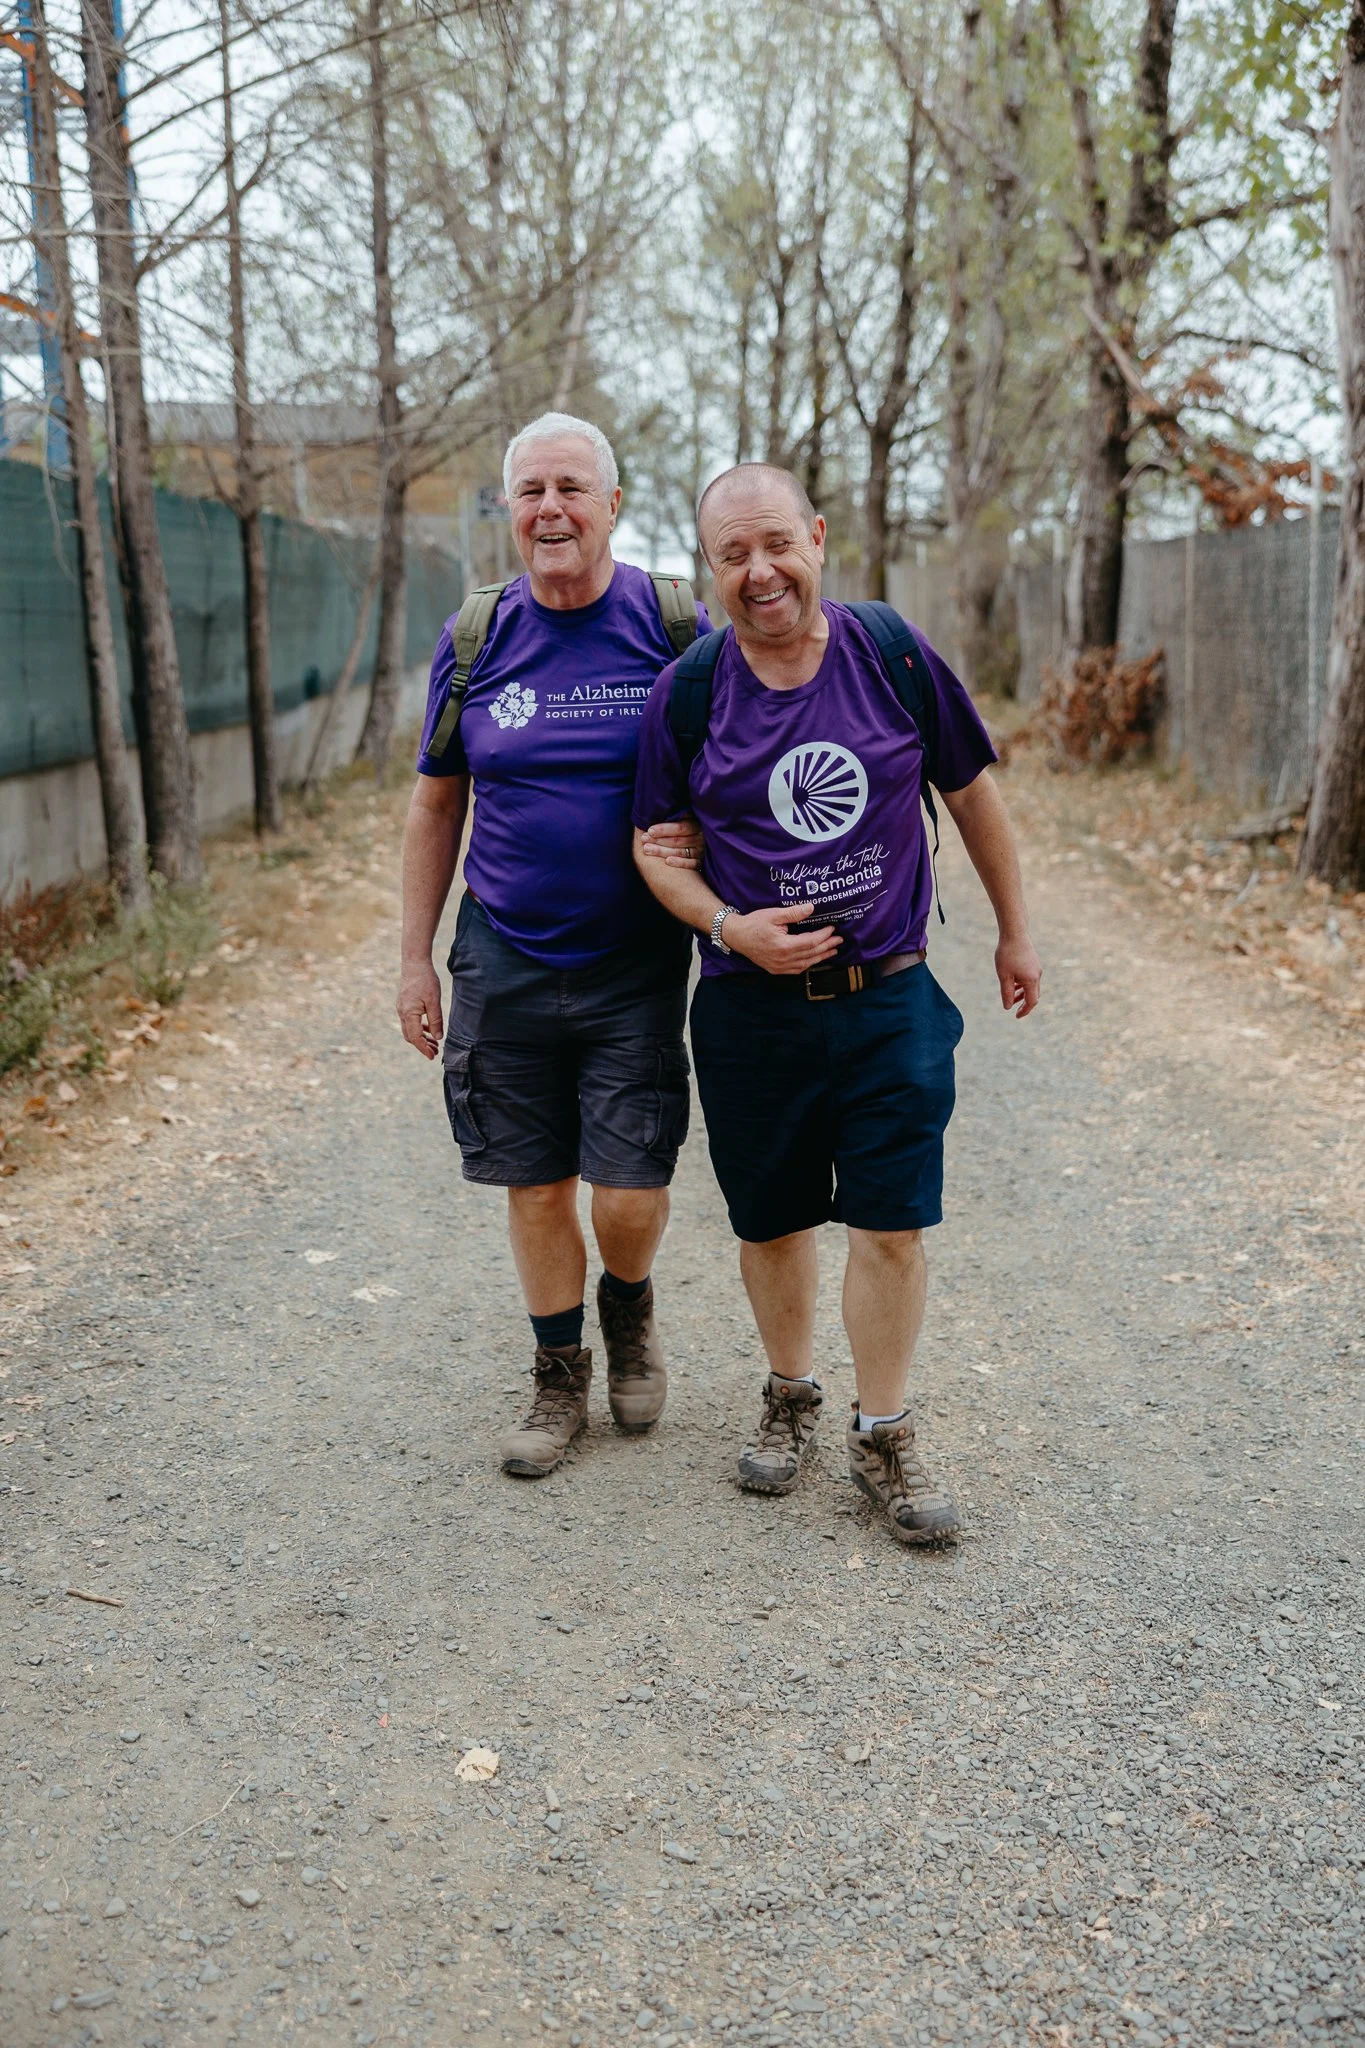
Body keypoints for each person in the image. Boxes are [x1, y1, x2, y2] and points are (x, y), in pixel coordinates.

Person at [632, 463, 1041, 1546]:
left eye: (777, 544)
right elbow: (657, 847)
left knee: (892, 1219)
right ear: (710, 566)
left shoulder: (889, 652)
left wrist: (1015, 926)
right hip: (747, 1007)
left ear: (817, 537)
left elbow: (971, 787)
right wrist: (730, 927)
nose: (760, 572)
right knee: (770, 1219)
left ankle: (884, 1427)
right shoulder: (690, 688)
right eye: (734, 555)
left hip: (888, 996)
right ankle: (791, 1389)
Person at [397, 412, 709, 1478]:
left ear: (613, 504)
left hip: (635, 961)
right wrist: (414, 957)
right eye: (529, 490)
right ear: (509, 509)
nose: (550, 508)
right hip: (505, 951)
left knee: (627, 1188)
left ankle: (629, 1305)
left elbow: (741, 769)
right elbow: (436, 805)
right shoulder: (476, 638)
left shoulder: (672, 625)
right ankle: (558, 1372)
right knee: (535, 1183)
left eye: (572, 487)